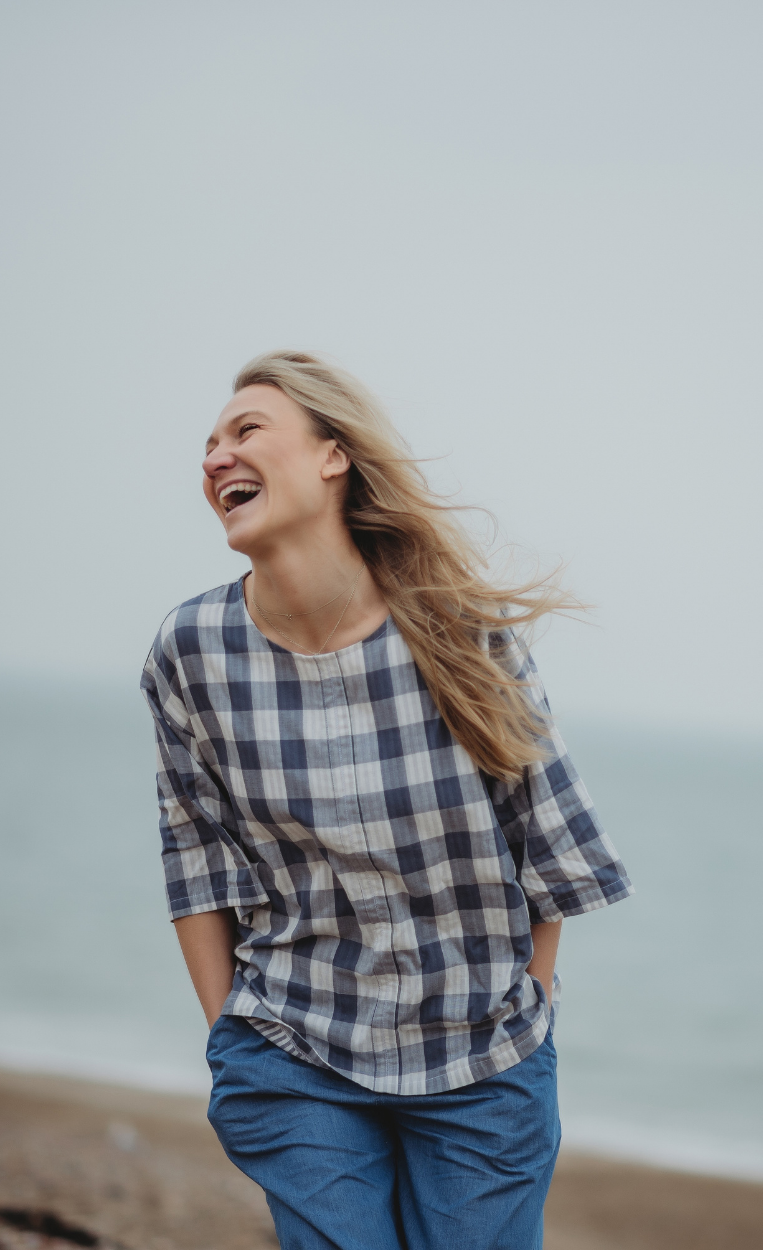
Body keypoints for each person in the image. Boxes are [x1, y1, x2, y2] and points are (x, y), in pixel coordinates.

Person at [140, 350, 633, 1250]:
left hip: (484, 1059)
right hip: (294, 1048)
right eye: (208, 444)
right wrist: (228, 1044)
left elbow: (550, 848)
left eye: (246, 430)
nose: (215, 458)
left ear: (334, 455)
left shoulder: (459, 631)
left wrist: (524, 1009)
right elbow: (196, 860)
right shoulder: (191, 650)